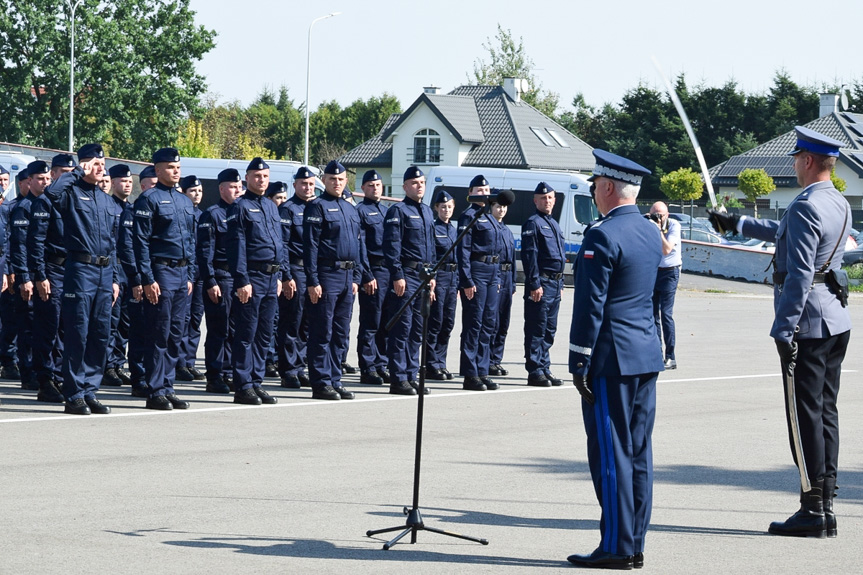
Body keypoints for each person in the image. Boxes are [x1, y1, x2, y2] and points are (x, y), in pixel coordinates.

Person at [709, 126, 852, 539]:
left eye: (795, 158)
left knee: (802, 416)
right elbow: (785, 234)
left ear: (807, 161)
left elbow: (801, 272)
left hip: (807, 322)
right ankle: (824, 503)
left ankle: (811, 508)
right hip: (834, 320)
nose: (793, 164)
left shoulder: (807, 204)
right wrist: (737, 223)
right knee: (825, 412)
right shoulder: (835, 200)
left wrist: (783, 329)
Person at [568, 149, 662, 570]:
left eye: (595, 187)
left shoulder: (602, 235)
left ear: (606, 188)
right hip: (645, 353)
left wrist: (578, 359)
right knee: (638, 453)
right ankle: (634, 541)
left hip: (611, 359)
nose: (595, 193)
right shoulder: (648, 231)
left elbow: (591, 305)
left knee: (611, 453)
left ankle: (616, 547)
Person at [42, 144, 121, 415]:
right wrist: (76, 171)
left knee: (100, 334)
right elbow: (50, 194)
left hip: (105, 272)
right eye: (96, 163)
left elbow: (113, 243)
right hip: (80, 270)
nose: (101, 168)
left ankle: (89, 390)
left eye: (103, 163)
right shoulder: (71, 193)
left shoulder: (106, 199)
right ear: (85, 164)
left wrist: (115, 280)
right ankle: (73, 393)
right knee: (78, 332)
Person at [133, 147, 195, 411]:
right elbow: (141, 242)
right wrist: (147, 278)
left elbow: (191, 241)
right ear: (158, 170)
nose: (176, 171)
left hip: (182, 274)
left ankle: (168, 387)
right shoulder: (149, 200)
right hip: (161, 272)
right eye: (171, 167)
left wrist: (190, 273)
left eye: (178, 167)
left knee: (175, 334)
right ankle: (155, 389)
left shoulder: (184, 201)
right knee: (159, 332)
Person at [226, 157, 286, 406]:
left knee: (264, 334)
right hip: (252, 277)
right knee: (246, 333)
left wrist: (281, 275)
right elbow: (236, 247)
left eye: (265, 176)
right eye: (257, 176)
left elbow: (280, 243)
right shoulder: (239, 207)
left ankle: (256, 381)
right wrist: (242, 280)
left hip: (272, 277)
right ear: (247, 178)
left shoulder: (272, 207)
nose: (262, 180)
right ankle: (243, 385)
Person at [303, 160, 362, 400]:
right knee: (322, 331)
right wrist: (312, 280)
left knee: (340, 332)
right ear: (324, 181)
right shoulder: (317, 207)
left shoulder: (350, 208)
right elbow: (310, 247)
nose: (336, 183)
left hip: (347, 277)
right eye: (332, 179)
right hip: (326, 275)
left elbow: (358, 244)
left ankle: (335, 378)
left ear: (346, 181)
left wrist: (357, 276)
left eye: (340, 179)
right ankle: (321, 382)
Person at [383, 166, 436, 395]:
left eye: (422, 182)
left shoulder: (427, 211)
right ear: (405, 186)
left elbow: (432, 247)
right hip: (406, 275)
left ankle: (412, 374)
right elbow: (392, 246)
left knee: (417, 330)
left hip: (423, 276)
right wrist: (397, 275)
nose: (419, 186)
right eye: (414, 183)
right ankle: (398, 378)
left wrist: (432, 275)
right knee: (402, 329)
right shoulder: (398, 211)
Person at [16, 160, 63, 402]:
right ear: (30, 180)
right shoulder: (24, 207)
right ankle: (31, 373)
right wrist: (25, 276)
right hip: (36, 274)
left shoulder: (55, 203)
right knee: (33, 327)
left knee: (55, 327)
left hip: (51, 272)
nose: (45, 182)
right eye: (40, 179)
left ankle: (54, 375)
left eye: (47, 179)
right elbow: (22, 247)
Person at [197, 168, 243, 394]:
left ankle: (231, 371)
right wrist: (210, 281)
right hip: (221, 277)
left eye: (239, 187)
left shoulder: (242, 212)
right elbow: (205, 253)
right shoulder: (213, 214)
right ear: (221, 189)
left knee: (236, 330)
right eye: (232, 187)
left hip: (239, 279)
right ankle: (215, 375)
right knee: (219, 329)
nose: (236, 190)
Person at [456, 175, 503, 391]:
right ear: (471, 192)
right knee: (473, 324)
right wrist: (466, 280)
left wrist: (499, 278)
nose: (484, 193)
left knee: (488, 324)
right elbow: (463, 250)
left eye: (487, 189)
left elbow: (499, 251)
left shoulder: (491, 217)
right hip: (477, 271)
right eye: (480, 190)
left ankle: (482, 370)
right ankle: (470, 373)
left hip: (493, 273)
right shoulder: (469, 216)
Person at [521, 182, 566, 387]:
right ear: (535, 200)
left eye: (550, 198)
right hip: (542, 283)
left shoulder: (553, 223)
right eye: (543, 198)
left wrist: (562, 284)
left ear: (554, 200)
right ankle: (535, 370)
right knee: (536, 328)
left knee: (550, 329)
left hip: (555, 284)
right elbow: (530, 256)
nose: (547, 201)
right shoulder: (533, 223)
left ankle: (545, 367)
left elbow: (560, 257)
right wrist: (534, 284)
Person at [275, 167, 315, 389]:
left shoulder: (317, 208)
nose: (307, 187)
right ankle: (289, 370)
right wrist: (287, 276)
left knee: (307, 324)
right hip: (296, 271)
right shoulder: (288, 210)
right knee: (292, 322)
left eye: (310, 184)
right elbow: (283, 246)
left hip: (313, 273)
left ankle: (300, 367)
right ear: (295, 185)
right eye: (303, 183)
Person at [355, 169, 390, 385]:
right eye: (370, 185)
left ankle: (381, 363)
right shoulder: (360, 211)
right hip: (373, 272)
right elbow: (361, 247)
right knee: (371, 321)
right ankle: (367, 367)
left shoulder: (388, 212)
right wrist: (366, 275)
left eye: (377, 185)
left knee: (386, 321)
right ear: (363, 188)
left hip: (388, 272)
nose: (375, 188)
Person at [103, 164, 136, 389]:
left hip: (129, 270)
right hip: (113, 270)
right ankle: (107, 366)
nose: (127, 184)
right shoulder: (107, 206)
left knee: (125, 323)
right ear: (113, 183)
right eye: (123, 181)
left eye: (129, 181)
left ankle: (117, 364)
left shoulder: (133, 209)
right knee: (111, 322)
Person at [175, 174, 206, 383]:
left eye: (200, 191)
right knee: (182, 320)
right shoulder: (182, 213)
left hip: (200, 275)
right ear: (184, 193)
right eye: (193, 191)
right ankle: (179, 363)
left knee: (195, 320)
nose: (197, 195)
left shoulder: (203, 215)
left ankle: (189, 361)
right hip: (185, 274)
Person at [426, 190, 457, 381]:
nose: (446, 210)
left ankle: (441, 362)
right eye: (443, 207)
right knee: (435, 323)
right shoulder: (433, 228)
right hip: (440, 278)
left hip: (452, 279)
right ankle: (431, 364)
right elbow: (431, 256)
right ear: (436, 208)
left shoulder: (453, 230)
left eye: (449, 207)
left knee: (448, 323)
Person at [649, 201, 681, 370]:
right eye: (655, 214)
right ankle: (656, 353)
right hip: (653, 271)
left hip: (670, 272)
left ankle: (670, 356)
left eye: (661, 215)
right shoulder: (648, 224)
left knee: (665, 314)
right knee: (652, 315)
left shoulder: (674, 225)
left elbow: (666, 249)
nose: (658, 217)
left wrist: (659, 229)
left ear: (667, 214)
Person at [490, 194, 516, 378]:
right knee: (493, 321)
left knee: (503, 322)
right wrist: (497, 279)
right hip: (497, 276)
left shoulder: (506, 230)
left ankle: (496, 359)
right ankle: (489, 360)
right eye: (499, 207)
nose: (502, 210)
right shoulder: (491, 229)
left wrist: (513, 281)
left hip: (508, 277)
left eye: (504, 207)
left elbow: (512, 259)